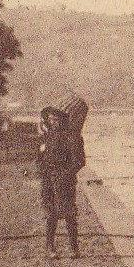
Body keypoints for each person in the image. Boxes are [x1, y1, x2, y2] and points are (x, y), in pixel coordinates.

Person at [36, 106, 83, 258]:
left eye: (56, 119)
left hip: (65, 181)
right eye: (50, 119)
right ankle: (50, 247)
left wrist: (66, 175)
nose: (53, 122)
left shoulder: (73, 137)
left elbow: (79, 161)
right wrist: (43, 172)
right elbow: (39, 158)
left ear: (63, 120)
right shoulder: (47, 137)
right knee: (50, 215)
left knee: (69, 214)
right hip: (48, 180)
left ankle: (74, 248)